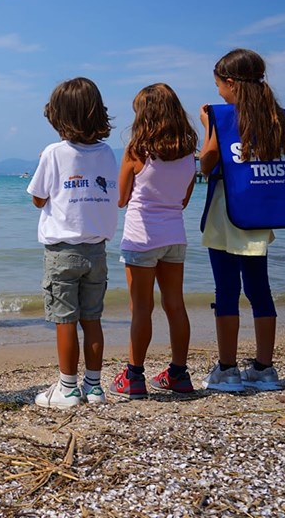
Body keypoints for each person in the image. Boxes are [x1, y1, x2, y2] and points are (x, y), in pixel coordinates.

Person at [198, 49, 285, 392]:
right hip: (261, 211)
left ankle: (227, 369)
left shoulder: (223, 116)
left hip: (229, 211)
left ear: (230, 83)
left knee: (227, 289)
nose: (217, 93)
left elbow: (208, 162)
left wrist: (207, 127)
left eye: (218, 85)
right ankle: (264, 367)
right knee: (260, 289)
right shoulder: (277, 117)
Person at [29, 78, 118, 409]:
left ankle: (67, 389)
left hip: (62, 252)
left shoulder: (54, 153)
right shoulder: (108, 152)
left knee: (65, 320)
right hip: (97, 250)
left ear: (60, 117)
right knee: (92, 319)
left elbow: (39, 199)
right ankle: (94, 388)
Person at [109, 84, 197, 399]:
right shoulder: (188, 152)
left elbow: (120, 199)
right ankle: (179, 374)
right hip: (175, 236)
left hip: (141, 238)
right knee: (175, 305)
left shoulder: (136, 151)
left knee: (141, 309)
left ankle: (134, 376)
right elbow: (184, 199)